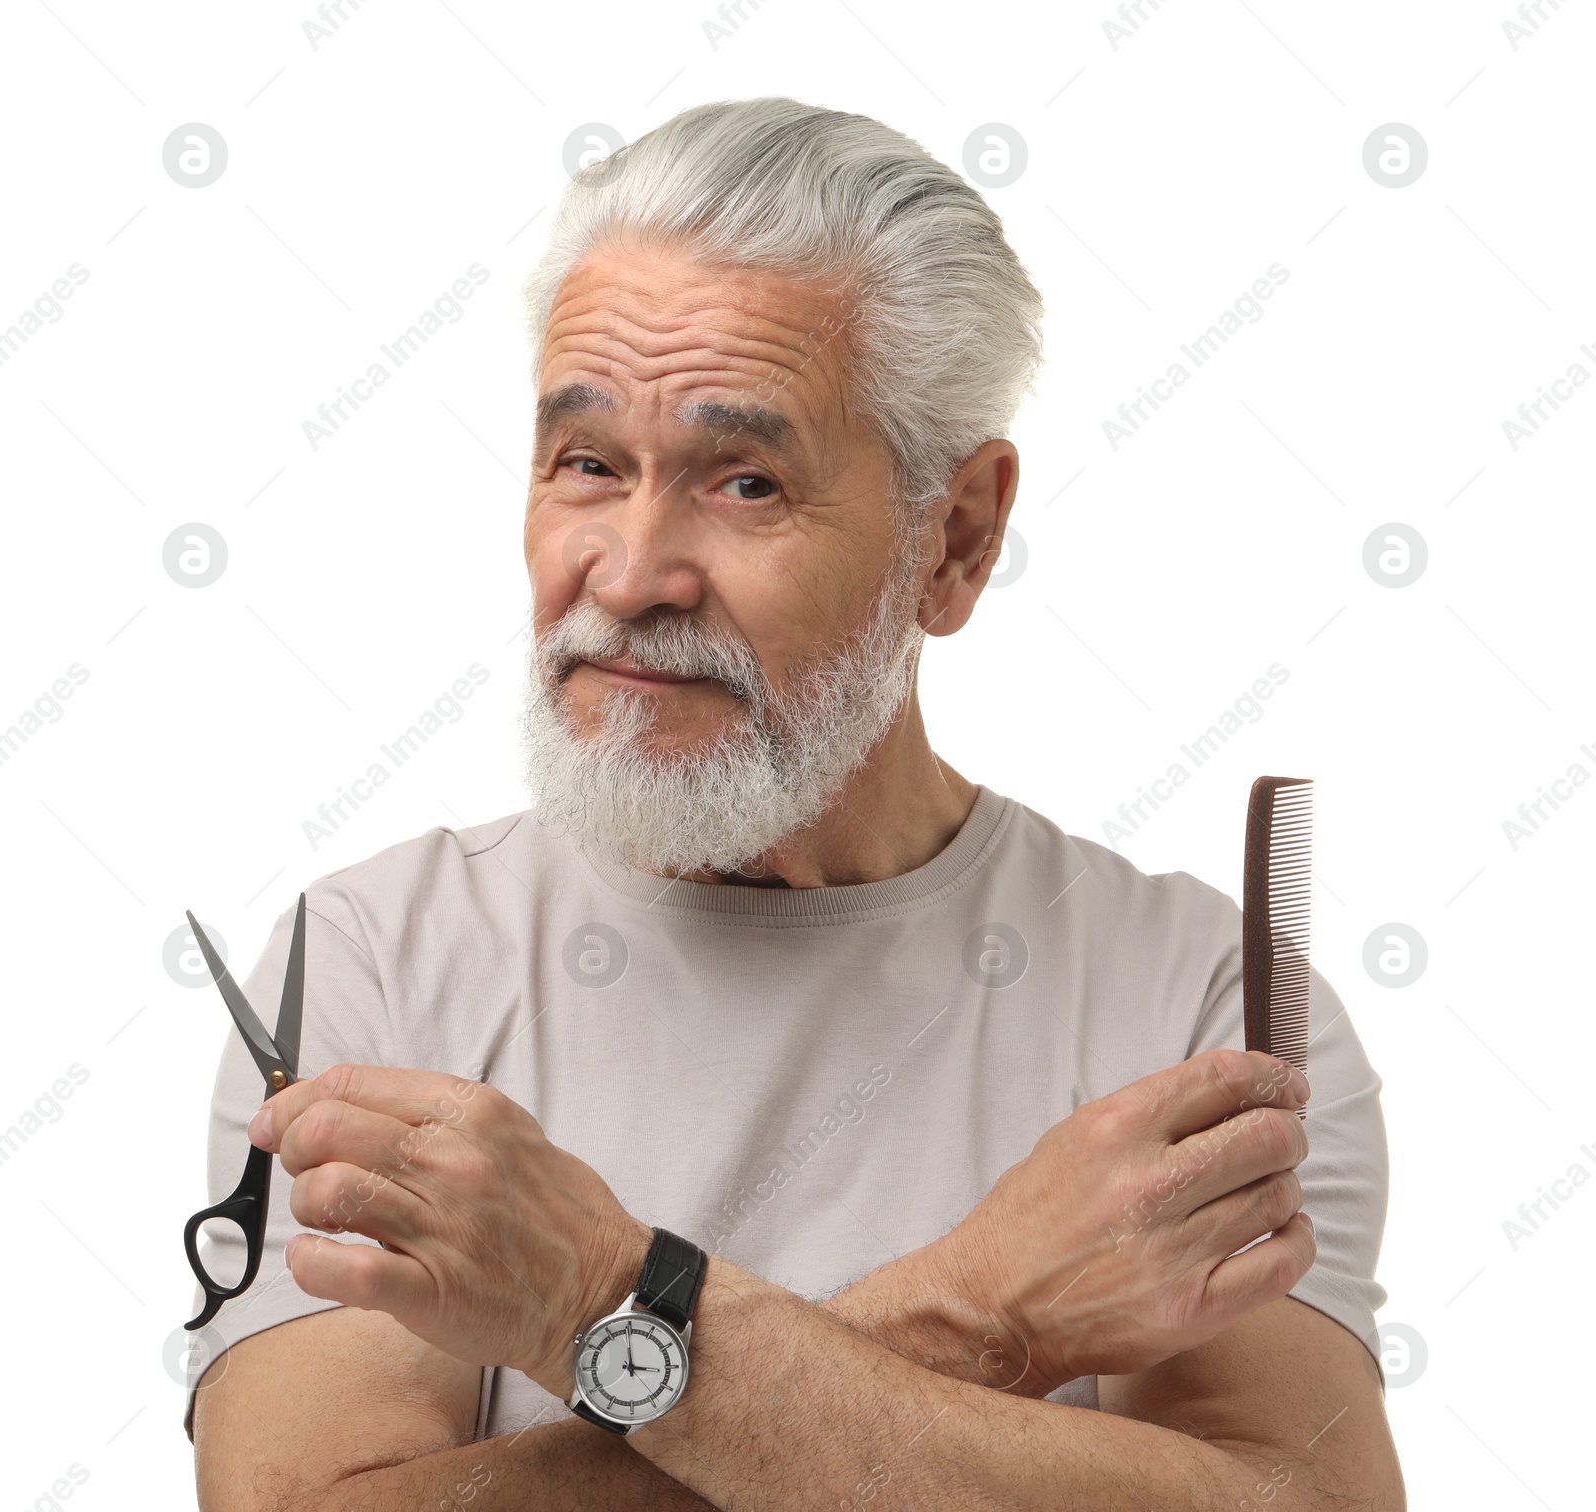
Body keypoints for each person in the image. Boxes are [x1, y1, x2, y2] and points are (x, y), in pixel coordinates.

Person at [190, 96, 1402, 1509]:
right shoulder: (373, 966)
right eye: (589, 463)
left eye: (746, 481)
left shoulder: (1192, 1002)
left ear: (955, 539)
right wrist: (973, 1313)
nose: (633, 571)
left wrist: (605, 1309)